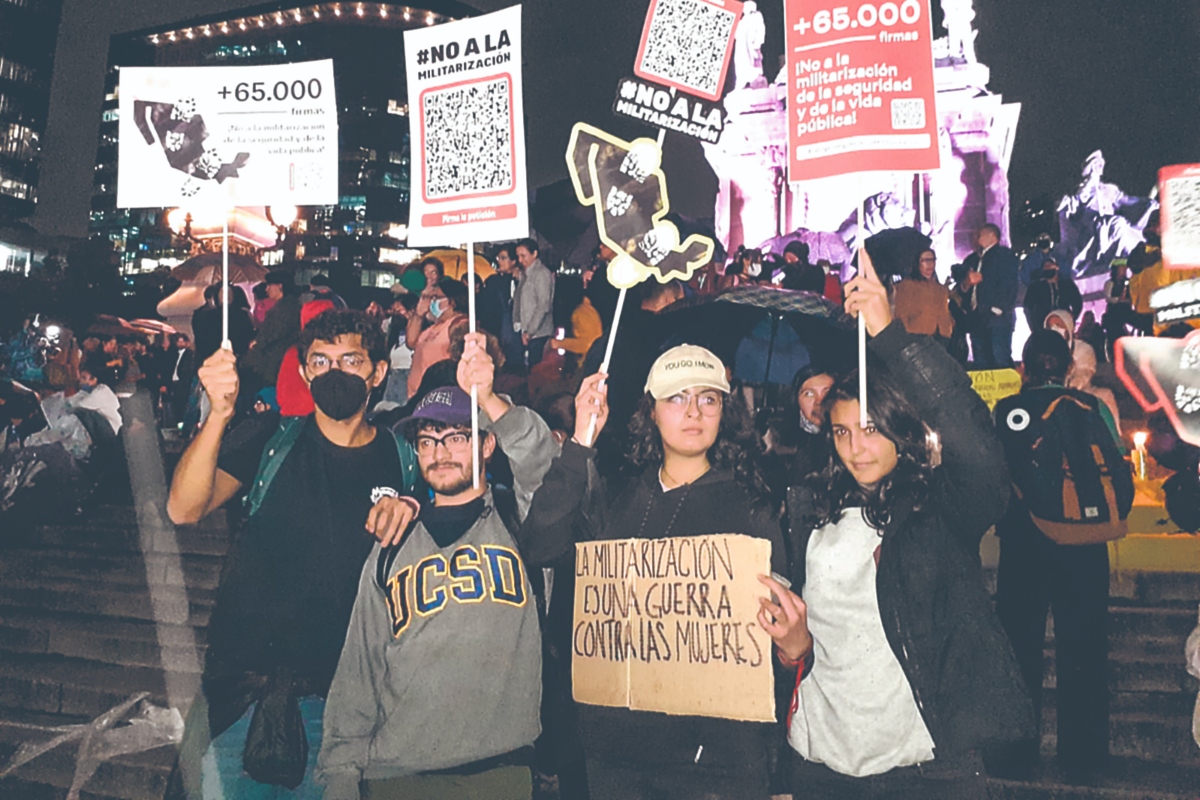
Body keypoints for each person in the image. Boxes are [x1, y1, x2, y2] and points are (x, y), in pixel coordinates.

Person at [765, 253, 1033, 798]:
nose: (856, 447)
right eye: (841, 433)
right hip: (821, 756)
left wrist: (891, 335)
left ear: (899, 428)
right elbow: (796, 630)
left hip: (922, 765)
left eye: (870, 429)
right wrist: (792, 647)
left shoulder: (939, 507)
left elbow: (977, 448)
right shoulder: (809, 508)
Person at [164, 310, 419, 800]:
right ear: (304, 372)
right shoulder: (272, 439)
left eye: (351, 360)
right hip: (244, 697)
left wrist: (413, 502)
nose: (334, 372)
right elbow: (182, 508)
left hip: (346, 708)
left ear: (378, 372)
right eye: (320, 361)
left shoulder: (401, 457)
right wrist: (218, 414)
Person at [521, 344, 788, 800]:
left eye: (708, 399)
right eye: (676, 398)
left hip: (717, 766)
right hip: (618, 758)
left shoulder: (752, 508)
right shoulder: (617, 498)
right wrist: (581, 444)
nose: (693, 412)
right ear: (652, 411)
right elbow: (540, 545)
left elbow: (772, 645)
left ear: (725, 411)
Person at [318, 333, 560, 800]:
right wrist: (342, 777)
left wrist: (489, 397)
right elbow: (360, 668)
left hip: (500, 773)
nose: (440, 450)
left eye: (456, 436)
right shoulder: (392, 541)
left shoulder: (522, 524)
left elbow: (542, 464)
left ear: (487, 446)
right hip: (395, 775)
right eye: (427, 439)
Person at [992, 330, 1130, 781]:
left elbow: (996, 473)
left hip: (1025, 540)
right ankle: (1085, 754)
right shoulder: (1093, 408)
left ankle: (1016, 752)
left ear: (1024, 368)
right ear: (1068, 368)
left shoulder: (1009, 409)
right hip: (1087, 543)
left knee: (1019, 646)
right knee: (1085, 649)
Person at [953, 223, 1019, 368]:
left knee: (999, 357)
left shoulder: (1004, 256)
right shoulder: (972, 259)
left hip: (996, 317)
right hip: (976, 317)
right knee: (981, 359)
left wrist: (997, 308)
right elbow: (960, 281)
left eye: (980, 234)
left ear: (992, 236)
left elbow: (1009, 284)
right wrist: (966, 284)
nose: (977, 238)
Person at [406, 277, 468, 398]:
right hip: (416, 394)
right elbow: (411, 342)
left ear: (452, 301)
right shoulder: (434, 327)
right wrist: (419, 314)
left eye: (437, 298)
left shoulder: (460, 324)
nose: (433, 302)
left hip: (438, 393)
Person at [244, 270, 302, 389]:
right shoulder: (289, 305)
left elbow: (273, 333)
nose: (266, 289)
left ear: (280, 286)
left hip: (274, 363)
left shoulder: (285, 309)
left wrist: (257, 344)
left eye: (269, 285)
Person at [892, 248, 954, 339]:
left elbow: (944, 313)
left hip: (941, 337)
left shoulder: (940, 288)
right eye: (925, 260)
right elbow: (901, 315)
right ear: (917, 263)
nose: (929, 264)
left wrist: (949, 326)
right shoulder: (908, 285)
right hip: (916, 336)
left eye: (932, 260)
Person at [479, 244, 524, 368]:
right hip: (492, 325)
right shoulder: (492, 280)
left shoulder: (519, 279)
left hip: (512, 329)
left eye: (503, 258)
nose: (500, 261)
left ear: (513, 261)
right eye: (498, 258)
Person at [513, 238, 555, 368]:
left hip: (539, 333)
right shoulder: (525, 275)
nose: (520, 260)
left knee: (536, 370)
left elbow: (543, 305)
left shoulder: (541, 274)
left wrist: (530, 331)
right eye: (518, 256)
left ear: (534, 254)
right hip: (529, 331)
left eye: (523, 256)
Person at [1023, 256, 1082, 332]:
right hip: (1043, 327)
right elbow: (1027, 307)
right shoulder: (1036, 286)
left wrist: (1072, 317)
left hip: (1063, 325)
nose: (1048, 270)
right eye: (1046, 268)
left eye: (1051, 267)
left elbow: (1077, 302)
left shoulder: (1066, 284)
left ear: (1057, 268)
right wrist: (1034, 327)